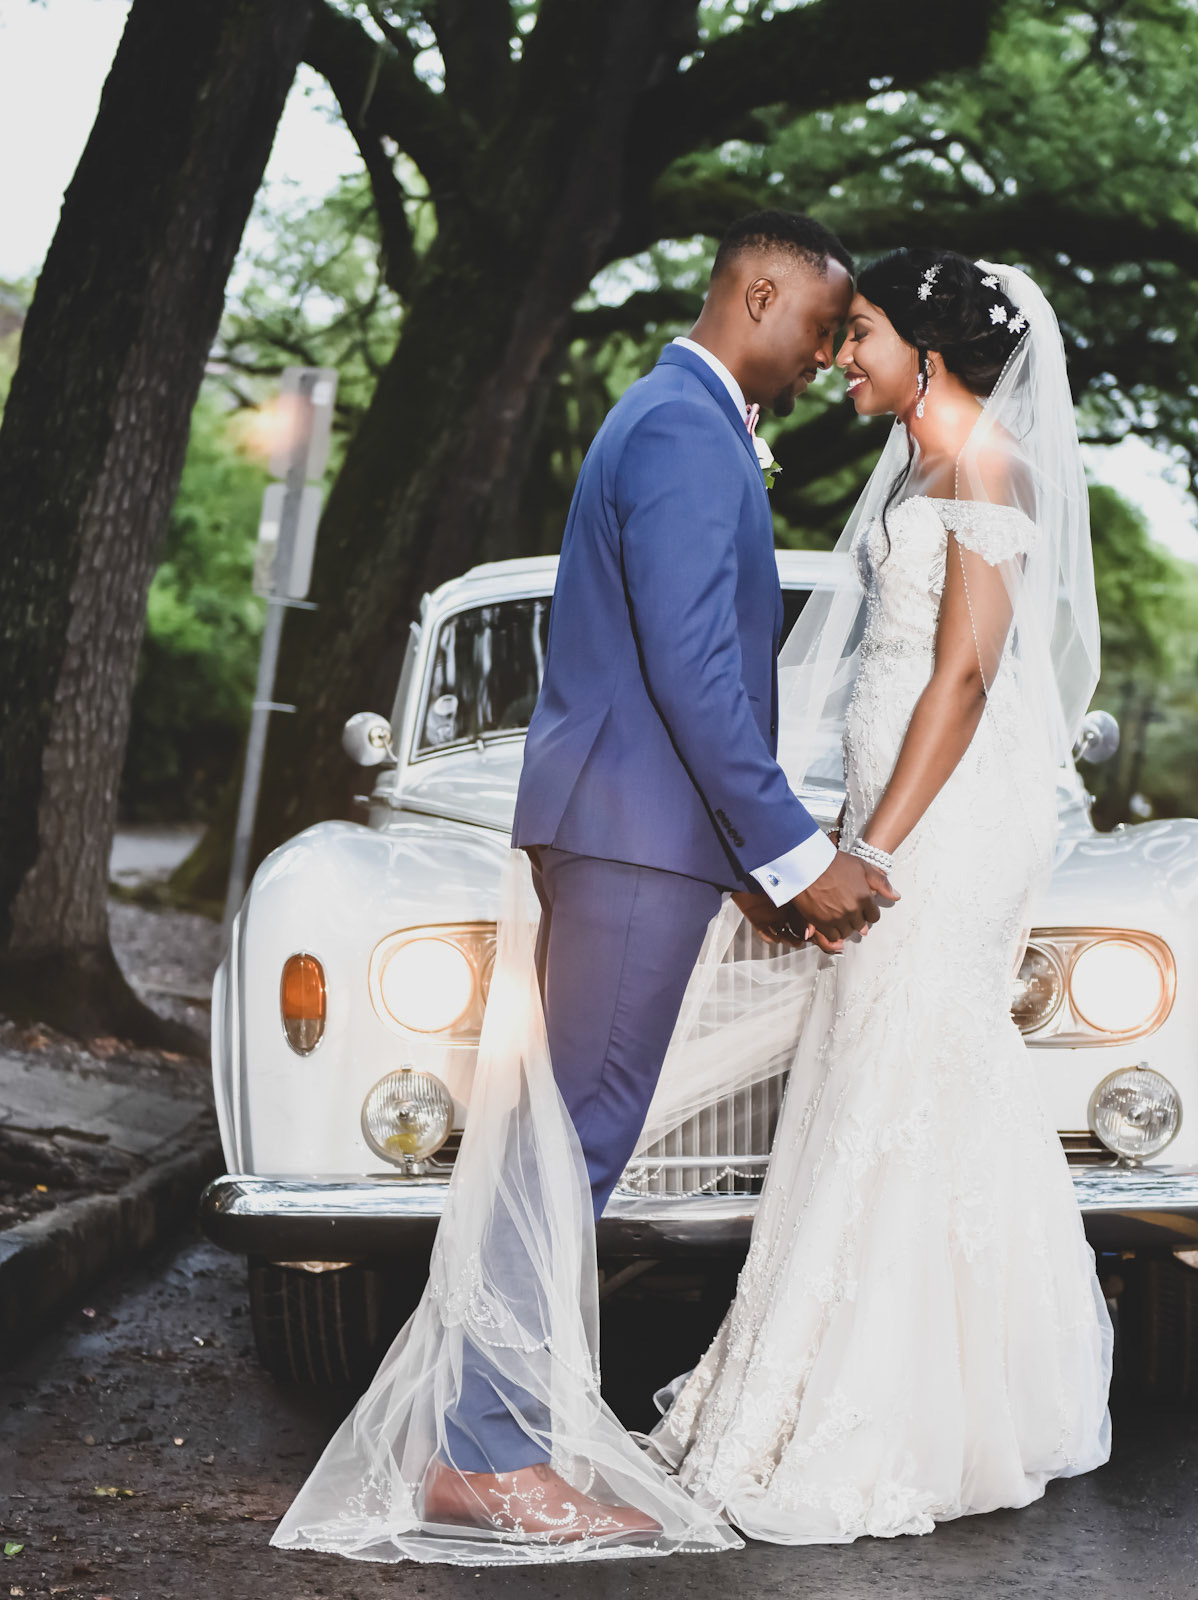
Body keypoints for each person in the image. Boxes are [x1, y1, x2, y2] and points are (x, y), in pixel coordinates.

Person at [275, 211, 893, 1562]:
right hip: (627, 837)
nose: (824, 351)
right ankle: (484, 1462)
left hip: (641, 833)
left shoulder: (684, 416)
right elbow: (692, 670)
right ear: (761, 289)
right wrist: (793, 851)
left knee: (570, 1143)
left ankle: (516, 1440)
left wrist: (747, 866)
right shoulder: (679, 427)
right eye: (819, 323)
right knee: (568, 1149)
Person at [647, 248, 1112, 1539]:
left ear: (931, 349)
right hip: (901, 806)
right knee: (869, 1067)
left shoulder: (981, 466)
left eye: (860, 337)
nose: (839, 357)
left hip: (949, 820)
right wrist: (844, 829)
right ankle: (836, 1373)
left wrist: (879, 850)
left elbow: (958, 683)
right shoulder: (916, 458)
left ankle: (889, 1408)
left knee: (902, 1056)